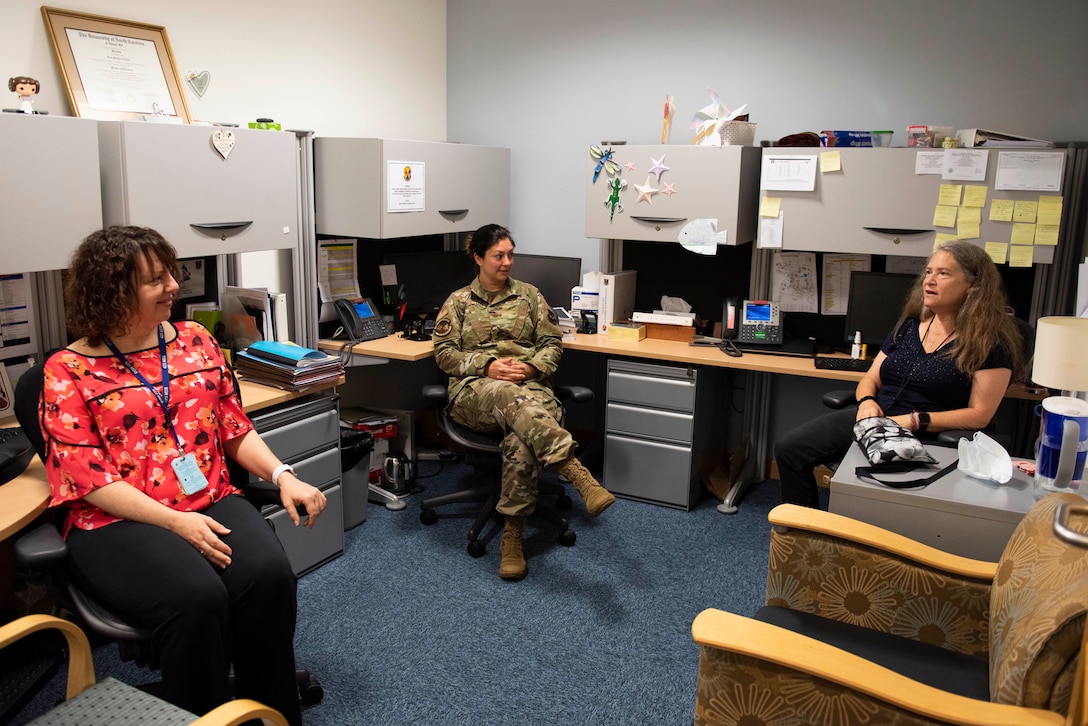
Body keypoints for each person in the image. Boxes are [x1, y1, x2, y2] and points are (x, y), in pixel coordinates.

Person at [39, 225, 327, 723]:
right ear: (113, 291)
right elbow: (89, 478)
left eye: (171, 271)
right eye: (156, 279)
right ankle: (204, 715)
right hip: (117, 520)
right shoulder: (67, 372)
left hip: (207, 496)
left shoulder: (195, 340)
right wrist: (176, 524)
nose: (174, 284)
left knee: (270, 579)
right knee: (196, 601)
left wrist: (283, 475)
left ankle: (272, 714)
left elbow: (233, 427)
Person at [774, 241, 1023, 508]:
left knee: (872, 487)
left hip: (929, 432)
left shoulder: (991, 342)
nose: (930, 280)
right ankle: (802, 534)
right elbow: (871, 377)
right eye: (928, 272)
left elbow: (980, 414)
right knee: (789, 449)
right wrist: (867, 401)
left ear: (973, 285)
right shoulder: (910, 325)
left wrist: (915, 421)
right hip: (877, 417)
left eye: (943, 273)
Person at [432, 223, 615, 580]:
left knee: (521, 436)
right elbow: (444, 354)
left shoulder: (530, 296)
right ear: (478, 258)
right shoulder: (458, 303)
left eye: (510, 255)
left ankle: (512, 536)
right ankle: (574, 471)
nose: (506, 262)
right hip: (475, 392)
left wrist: (531, 368)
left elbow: (553, 343)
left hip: (531, 392)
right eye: (498, 256)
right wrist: (488, 365)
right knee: (505, 393)